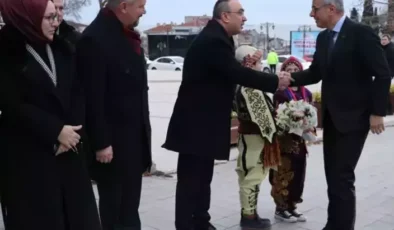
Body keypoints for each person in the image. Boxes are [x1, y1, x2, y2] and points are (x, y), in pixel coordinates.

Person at [161, 0, 293, 229]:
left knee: (202, 178)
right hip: (196, 125)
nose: (244, 17)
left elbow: (228, 73)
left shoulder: (219, 38)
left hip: (203, 124)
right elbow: (236, 73)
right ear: (224, 16)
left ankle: (201, 220)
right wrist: (274, 81)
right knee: (192, 180)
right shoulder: (214, 41)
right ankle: (187, 224)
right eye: (240, 12)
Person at [283, 0, 392, 229]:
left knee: (342, 176)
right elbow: (316, 72)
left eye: (315, 9)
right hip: (332, 118)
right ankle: (334, 224)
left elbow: (382, 74)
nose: (311, 14)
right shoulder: (324, 38)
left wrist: (377, 112)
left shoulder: (360, 33)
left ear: (331, 9)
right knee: (332, 175)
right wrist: (289, 79)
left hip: (355, 117)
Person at [0, 0, 101, 229]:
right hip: (30, 156)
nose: (56, 22)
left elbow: (77, 90)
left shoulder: (61, 45)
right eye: (48, 18)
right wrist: (55, 131)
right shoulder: (6, 50)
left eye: (56, 15)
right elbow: (11, 102)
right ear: (27, 17)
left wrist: (71, 132)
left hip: (69, 151)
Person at [76, 0, 152, 229]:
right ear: (124, 6)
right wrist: (101, 143)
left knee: (129, 208)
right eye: (140, 6)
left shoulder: (126, 36)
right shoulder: (95, 39)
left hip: (132, 139)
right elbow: (92, 97)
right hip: (112, 146)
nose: (144, 11)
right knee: (115, 209)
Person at [233, 45, 281, 229]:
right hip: (256, 139)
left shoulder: (242, 85)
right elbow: (265, 120)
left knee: (249, 174)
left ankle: (250, 213)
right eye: (259, 62)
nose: (261, 66)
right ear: (250, 63)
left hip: (249, 137)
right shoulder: (250, 88)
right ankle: (249, 217)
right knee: (252, 176)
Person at [270, 57, 313, 223]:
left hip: (300, 141)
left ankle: (292, 206)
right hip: (284, 140)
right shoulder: (280, 92)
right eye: (290, 70)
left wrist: (309, 125)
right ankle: (280, 208)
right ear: (284, 72)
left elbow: (311, 114)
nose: (293, 73)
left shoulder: (306, 92)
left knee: (299, 173)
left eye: (296, 69)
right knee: (283, 173)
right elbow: (277, 115)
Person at [381, 34, 394, 115]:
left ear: (389, 40)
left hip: (389, 74)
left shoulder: (391, 49)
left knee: (387, 92)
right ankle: (387, 110)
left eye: (385, 39)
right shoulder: (382, 48)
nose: (383, 41)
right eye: (382, 39)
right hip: (384, 73)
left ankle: (389, 110)